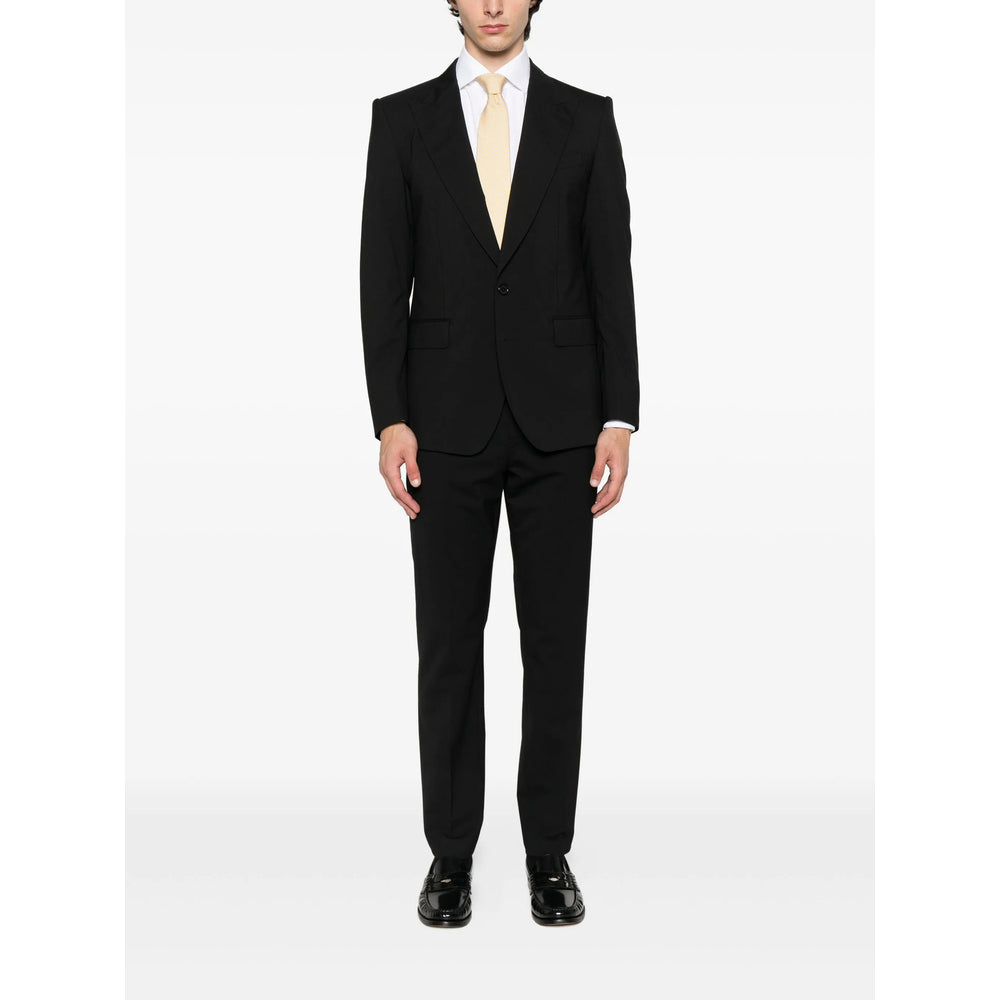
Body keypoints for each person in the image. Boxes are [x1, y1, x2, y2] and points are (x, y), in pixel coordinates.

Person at [359, 0, 639, 927]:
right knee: (449, 646)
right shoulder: (400, 121)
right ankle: (450, 856)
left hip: (563, 426)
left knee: (555, 645)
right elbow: (381, 277)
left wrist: (619, 415)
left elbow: (611, 270)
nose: (491, 5)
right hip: (442, 425)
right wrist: (390, 418)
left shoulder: (585, 119)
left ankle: (549, 853)